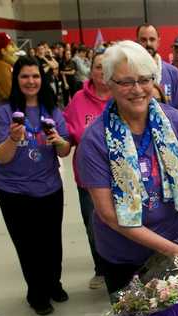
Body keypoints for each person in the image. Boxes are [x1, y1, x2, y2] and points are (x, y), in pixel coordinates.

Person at [77, 41, 178, 296]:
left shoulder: (177, 124)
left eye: (144, 79)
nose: (137, 90)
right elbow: (109, 214)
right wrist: (176, 251)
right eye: (126, 82)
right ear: (109, 84)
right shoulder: (94, 140)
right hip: (124, 258)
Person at [0, 56, 71, 316]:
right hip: (13, 191)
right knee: (28, 245)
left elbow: (65, 151)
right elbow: (1, 156)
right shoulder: (4, 112)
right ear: (17, 80)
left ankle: (53, 283)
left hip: (49, 188)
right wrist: (14, 139)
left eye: (35, 76)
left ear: (42, 79)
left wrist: (59, 140)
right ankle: (37, 293)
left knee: (51, 243)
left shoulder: (53, 110)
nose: (31, 81)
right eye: (25, 76)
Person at [63, 48, 110, 290]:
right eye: (98, 66)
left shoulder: (122, 95)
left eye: (106, 65)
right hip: (88, 179)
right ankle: (101, 269)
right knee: (93, 225)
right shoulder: (78, 101)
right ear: (90, 70)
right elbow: (67, 138)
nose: (102, 70)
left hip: (123, 178)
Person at [136, 23, 178, 112]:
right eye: (143, 40)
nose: (148, 43)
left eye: (152, 39)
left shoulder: (173, 73)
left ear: (158, 42)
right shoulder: (130, 73)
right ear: (137, 42)